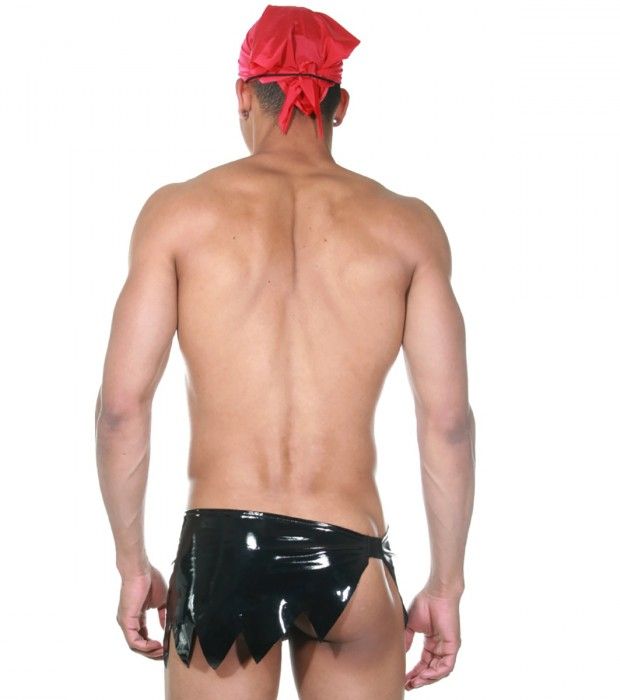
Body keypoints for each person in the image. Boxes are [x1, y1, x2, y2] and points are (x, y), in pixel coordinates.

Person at [95, 4, 476, 698]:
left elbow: (122, 408)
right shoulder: (408, 228)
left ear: (244, 94)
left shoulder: (178, 214)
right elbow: (447, 422)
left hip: (221, 553)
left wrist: (131, 564)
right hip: (351, 554)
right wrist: (446, 585)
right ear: (341, 105)